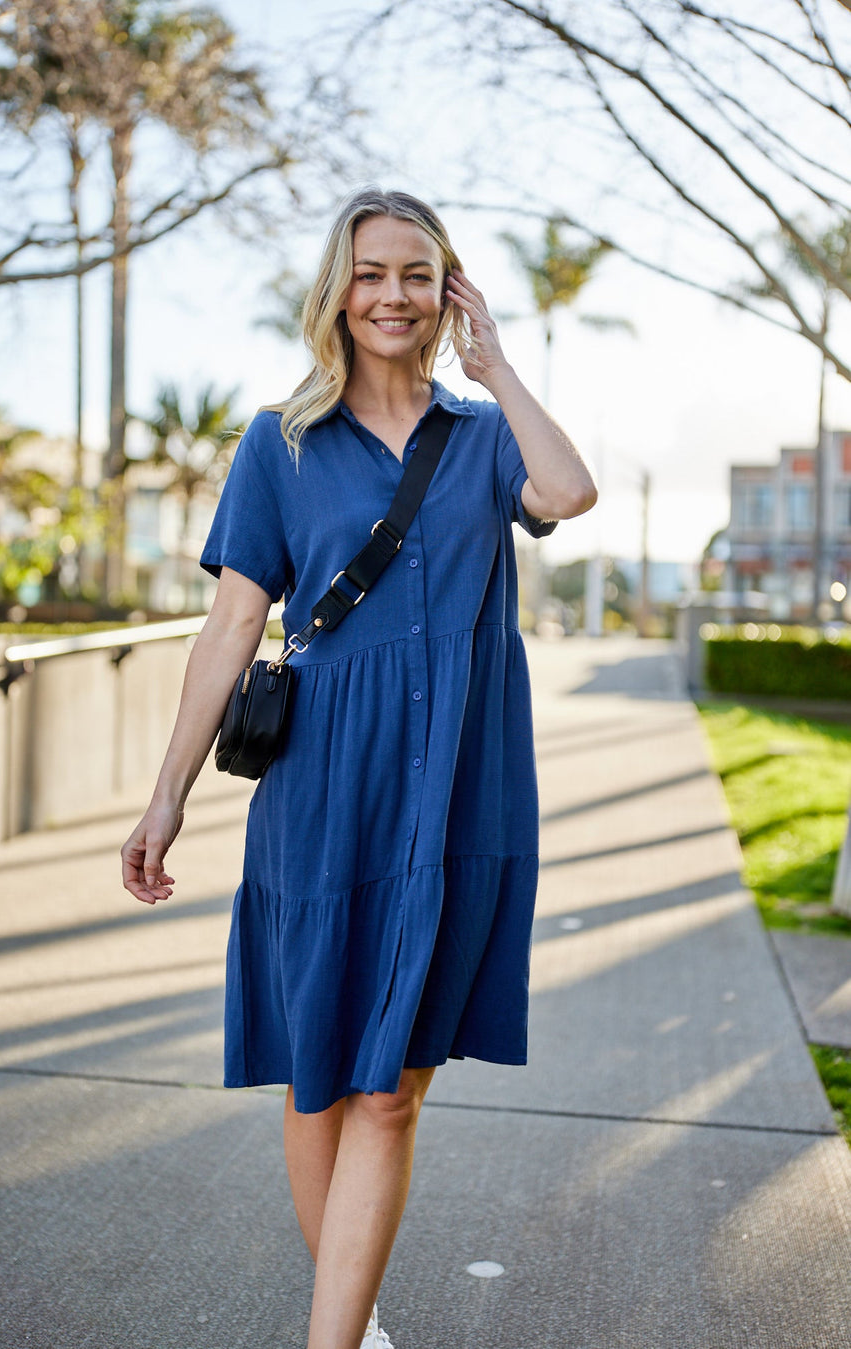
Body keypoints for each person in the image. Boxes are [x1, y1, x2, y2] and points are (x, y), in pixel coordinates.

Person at [121, 187, 596, 1349]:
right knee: (323, 1073)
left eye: (418, 275)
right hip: (327, 791)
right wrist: (167, 793)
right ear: (339, 289)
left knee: (395, 1083)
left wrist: (499, 365)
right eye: (373, 272)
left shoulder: (486, 437)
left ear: (449, 293)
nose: (394, 295)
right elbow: (231, 627)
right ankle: (355, 1314)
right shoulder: (279, 443)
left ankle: (330, 1335)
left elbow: (569, 492)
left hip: (459, 793)